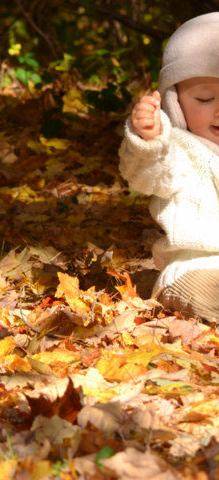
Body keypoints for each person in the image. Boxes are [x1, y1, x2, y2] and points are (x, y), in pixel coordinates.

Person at [119, 13, 219, 321]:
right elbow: (147, 173)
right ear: (175, 102)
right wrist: (149, 140)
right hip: (199, 265)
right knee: (201, 290)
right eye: (205, 98)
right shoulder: (179, 149)